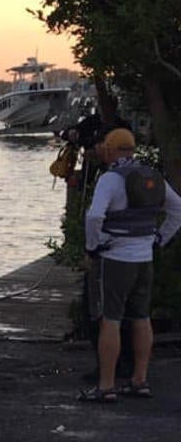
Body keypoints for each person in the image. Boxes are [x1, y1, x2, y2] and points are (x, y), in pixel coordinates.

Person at [79, 128, 181, 402]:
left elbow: (94, 217)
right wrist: (159, 239)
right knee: (141, 317)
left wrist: (93, 246)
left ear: (110, 150)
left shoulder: (110, 179)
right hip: (144, 259)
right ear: (133, 150)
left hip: (115, 260)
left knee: (110, 319)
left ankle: (106, 386)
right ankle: (139, 380)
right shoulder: (152, 176)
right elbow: (178, 209)